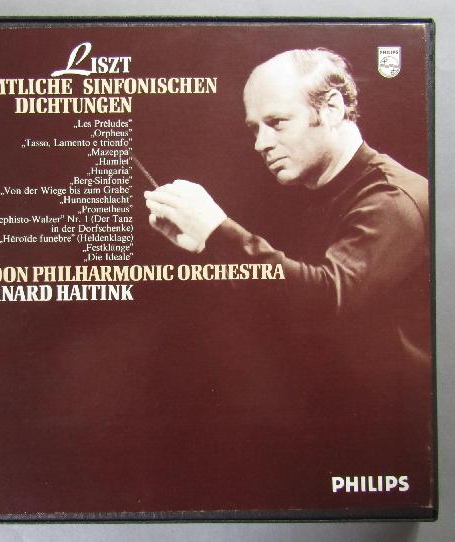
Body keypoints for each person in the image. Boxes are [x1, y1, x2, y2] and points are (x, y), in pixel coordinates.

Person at [144, 49, 432, 490]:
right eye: (254, 128)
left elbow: (326, 298)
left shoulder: (392, 200)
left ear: (331, 108)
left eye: (276, 122)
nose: (260, 143)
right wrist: (206, 244)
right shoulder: (317, 188)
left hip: (388, 449)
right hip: (331, 438)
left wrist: (220, 232)